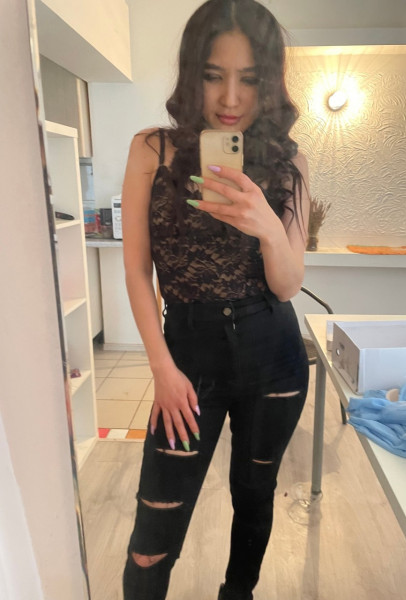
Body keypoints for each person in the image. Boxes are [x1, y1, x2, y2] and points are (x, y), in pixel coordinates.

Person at [121, 1, 310, 598]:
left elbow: (287, 285)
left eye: (248, 78)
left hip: (273, 354)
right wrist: (161, 367)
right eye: (212, 75)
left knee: (254, 498)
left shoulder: (289, 161)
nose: (230, 97)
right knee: (154, 528)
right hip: (187, 355)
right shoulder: (151, 150)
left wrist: (267, 225)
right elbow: (137, 270)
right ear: (191, 74)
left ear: (269, 81)